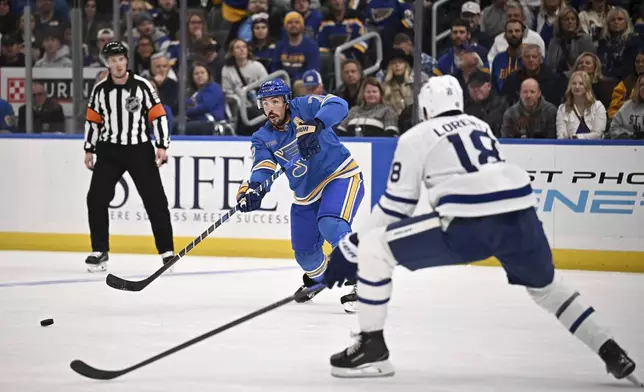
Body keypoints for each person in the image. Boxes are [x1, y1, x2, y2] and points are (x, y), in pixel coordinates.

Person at [321, 75, 640, 386]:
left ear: (425, 108)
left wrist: (351, 248)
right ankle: (611, 350)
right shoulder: (480, 125)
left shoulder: (416, 136)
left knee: (376, 250)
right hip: (522, 216)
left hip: (470, 222)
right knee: (548, 288)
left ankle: (372, 347)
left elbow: (396, 206)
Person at [235, 78, 363, 313]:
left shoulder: (304, 107)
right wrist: (254, 190)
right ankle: (322, 279)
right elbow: (263, 167)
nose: (270, 108)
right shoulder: (262, 137)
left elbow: (339, 104)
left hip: (340, 175)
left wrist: (317, 124)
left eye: (275, 101)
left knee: (331, 223)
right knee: (305, 254)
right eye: (265, 103)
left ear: (286, 101)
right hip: (306, 194)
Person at [83, 41, 174, 272]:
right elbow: (93, 121)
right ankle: (99, 251)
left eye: (120, 59)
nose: (117, 64)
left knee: (155, 201)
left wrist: (162, 145)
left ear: (126, 60)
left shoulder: (142, 86)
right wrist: (89, 149)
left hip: (138, 149)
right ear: (107, 63)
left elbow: (158, 116)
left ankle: (167, 253)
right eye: (112, 60)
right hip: (109, 150)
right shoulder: (100, 90)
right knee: (96, 198)